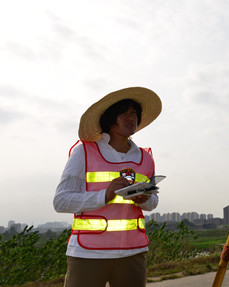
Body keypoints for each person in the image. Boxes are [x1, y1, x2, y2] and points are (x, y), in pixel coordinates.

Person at [54, 86, 162, 287]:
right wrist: (105, 194)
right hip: (88, 253)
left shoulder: (145, 159)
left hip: (133, 253)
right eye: (125, 112)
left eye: (135, 113)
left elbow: (153, 202)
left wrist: (144, 199)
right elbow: (61, 201)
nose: (132, 117)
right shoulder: (84, 152)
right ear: (110, 119)